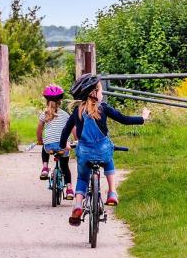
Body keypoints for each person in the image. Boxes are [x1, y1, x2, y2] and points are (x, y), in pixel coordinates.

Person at [60, 74, 150, 226]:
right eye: (101, 90)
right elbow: (125, 120)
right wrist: (143, 118)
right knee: (108, 161)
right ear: (94, 93)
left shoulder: (77, 111)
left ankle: (77, 205)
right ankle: (112, 192)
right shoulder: (104, 108)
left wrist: (63, 145)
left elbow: (65, 131)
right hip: (103, 152)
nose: (102, 93)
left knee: (82, 178)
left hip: (84, 154)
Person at [37, 85, 75, 200]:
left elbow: (39, 130)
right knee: (65, 166)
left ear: (46, 100)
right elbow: (73, 130)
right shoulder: (66, 115)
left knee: (45, 147)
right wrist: (77, 140)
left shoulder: (44, 114)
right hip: (63, 146)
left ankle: (44, 168)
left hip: (49, 146)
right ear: (60, 101)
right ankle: (69, 190)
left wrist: (40, 140)